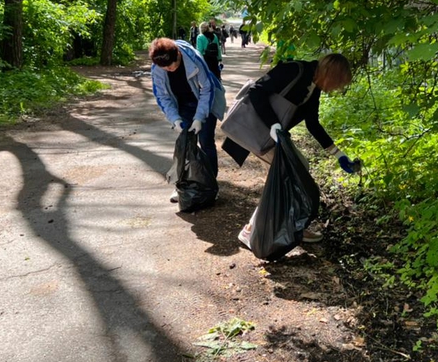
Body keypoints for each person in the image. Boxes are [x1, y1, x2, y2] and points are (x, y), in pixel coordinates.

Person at [223, 53, 360, 246]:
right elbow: (257, 91)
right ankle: (256, 230)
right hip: (258, 128)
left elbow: (313, 124)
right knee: (293, 172)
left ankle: (288, 226)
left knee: (295, 171)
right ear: (331, 75)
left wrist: (338, 154)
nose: (337, 88)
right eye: (338, 83)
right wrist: (273, 124)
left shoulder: (314, 86)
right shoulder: (294, 70)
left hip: (273, 135)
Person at [149, 38, 227, 202]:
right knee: (185, 144)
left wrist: (199, 118)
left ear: (177, 55)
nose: (169, 70)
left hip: (205, 101)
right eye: (165, 68)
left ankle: (210, 185)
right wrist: (175, 119)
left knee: (206, 142)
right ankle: (182, 186)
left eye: (171, 66)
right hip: (182, 104)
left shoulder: (193, 58)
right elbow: (162, 96)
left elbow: (207, 89)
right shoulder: (158, 67)